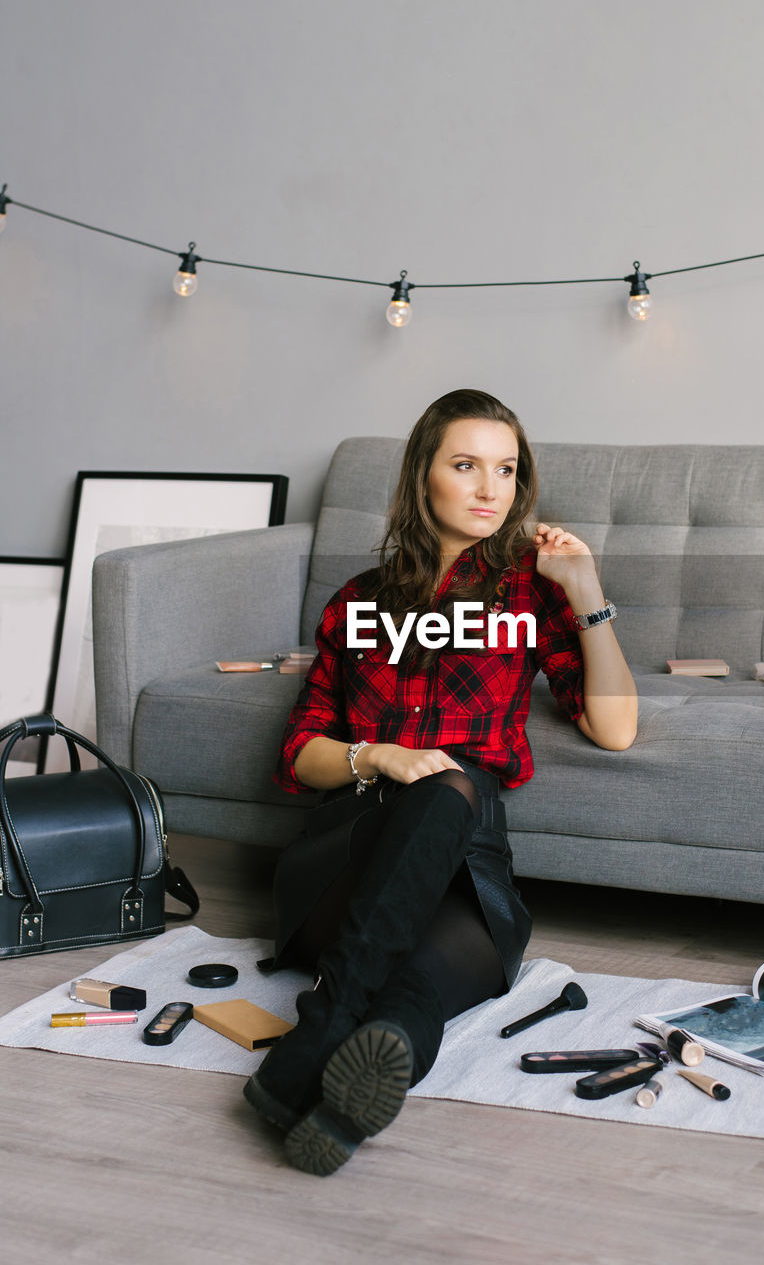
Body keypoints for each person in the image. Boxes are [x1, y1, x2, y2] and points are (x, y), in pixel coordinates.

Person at [243, 389, 637, 1175]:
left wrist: (586, 593)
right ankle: (325, 1033)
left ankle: (323, 1073)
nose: (490, 489)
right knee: (443, 784)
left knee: (416, 991)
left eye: (505, 469)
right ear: (423, 476)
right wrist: (379, 755)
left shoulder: (531, 595)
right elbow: (298, 753)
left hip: (467, 863)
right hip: (355, 842)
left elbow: (615, 728)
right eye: (465, 466)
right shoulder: (360, 600)